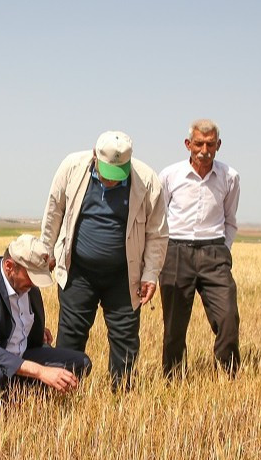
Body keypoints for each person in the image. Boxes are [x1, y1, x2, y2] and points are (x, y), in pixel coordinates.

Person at [40, 131, 168, 388]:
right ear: (95, 156)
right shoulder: (72, 167)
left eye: (118, 175)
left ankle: (121, 394)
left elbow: (157, 233)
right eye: (108, 173)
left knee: (125, 340)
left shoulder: (147, 180)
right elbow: (54, 211)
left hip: (124, 275)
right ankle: (65, 392)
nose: (111, 181)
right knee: (71, 336)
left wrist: (150, 274)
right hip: (79, 272)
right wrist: (46, 250)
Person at [0, 234, 92, 401]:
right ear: (9, 266)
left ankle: (18, 393)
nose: (34, 284)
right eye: (31, 276)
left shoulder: (26, 285)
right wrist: (41, 372)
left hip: (18, 354)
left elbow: (13, 320)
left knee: (81, 363)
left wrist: (31, 330)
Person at [158, 119, 242, 377]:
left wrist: (223, 250)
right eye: (198, 143)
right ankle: (173, 379)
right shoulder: (170, 175)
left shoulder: (230, 177)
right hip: (176, 251)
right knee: (175, 325)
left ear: (218, 145)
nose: (204, 149)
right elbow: (158, 219)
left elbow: (230, 220)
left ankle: (229, 374)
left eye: (210, 144)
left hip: (214, 253)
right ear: (188, 145)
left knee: (228, 317)